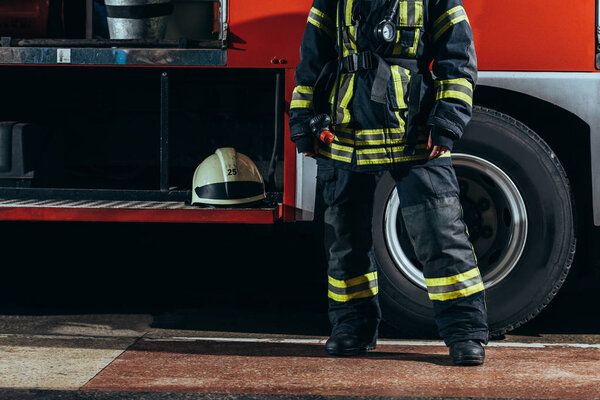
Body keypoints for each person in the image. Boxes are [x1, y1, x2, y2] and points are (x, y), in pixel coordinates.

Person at [289, 0, 488, 366]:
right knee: (345, 240)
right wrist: (305, 121)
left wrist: (446, 121)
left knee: (440, 233)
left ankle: (464, 333)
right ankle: (352, 328)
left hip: (413, 128)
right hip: (346, 130)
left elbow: (457, 61)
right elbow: (312, 58)